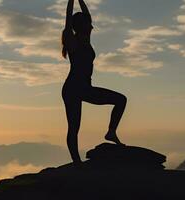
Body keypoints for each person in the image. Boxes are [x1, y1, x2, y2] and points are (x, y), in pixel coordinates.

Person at [61, 0, 127, 163]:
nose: (92, 26)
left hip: (85, 88)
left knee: (121, 100)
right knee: (74, 127)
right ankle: (77, 162)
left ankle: (111, 132)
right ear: (81, 26)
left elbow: (88, 17)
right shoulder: (72, 41)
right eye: (88, 24)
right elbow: (68, 19)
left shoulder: (85, 39)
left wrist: (80, 0)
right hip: (72, 89)